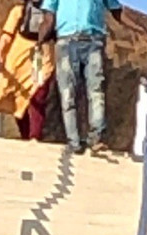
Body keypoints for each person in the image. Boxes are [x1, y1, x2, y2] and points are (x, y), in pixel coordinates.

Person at [38, 0, 125, 155]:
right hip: (76, 42)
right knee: (90, 91)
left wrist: (40, 41)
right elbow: (117, 11)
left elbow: (49, 17)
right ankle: (83, 140)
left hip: (84, 41)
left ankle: (86, 139)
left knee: (71, 94)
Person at [0, 0, 56, 140]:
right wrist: (0, 54)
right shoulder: (18, 12)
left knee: (37, 95)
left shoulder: (54, 12)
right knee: (19, 98)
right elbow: (6, 36)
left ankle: (34, 136)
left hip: (39, 55)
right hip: (21, 57)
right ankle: (27, 135)